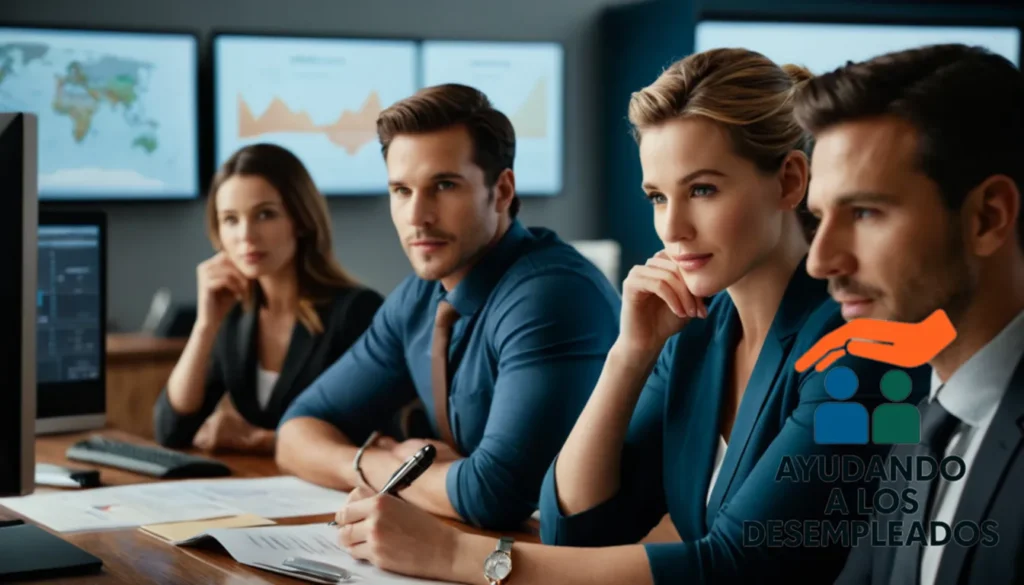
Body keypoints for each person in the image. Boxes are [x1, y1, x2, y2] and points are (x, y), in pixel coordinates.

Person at [329, 49, 926, 585]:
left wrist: (455, 556)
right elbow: (577, 528)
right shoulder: (696, 331)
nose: (672, 229)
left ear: (790, 181)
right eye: (658, 197)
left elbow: (741, 566)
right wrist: (629, 356)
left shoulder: (859, 348)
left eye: (703, 190)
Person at [275, 83, 621, 530]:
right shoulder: (420, 298)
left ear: (501, 191)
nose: (418, 215)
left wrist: (394, 467)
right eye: (401, 190)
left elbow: (492, 494)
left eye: (443, 185)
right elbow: (296, 431)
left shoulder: (550, 295)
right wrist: (378, 463)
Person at [795, 43, 1024, 585]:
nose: (821, 261)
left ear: (988, 218)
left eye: (866, 212)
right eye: (820, 218)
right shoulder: (923, 421)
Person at [153, 143, 384, 453]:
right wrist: (205, 326)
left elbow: (373, 436)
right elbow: (171, 430)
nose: (246, 235)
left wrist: (261, 440)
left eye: (265, 214)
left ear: (301, 220)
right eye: (231, 219)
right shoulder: (234, 314)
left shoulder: (357, 311)